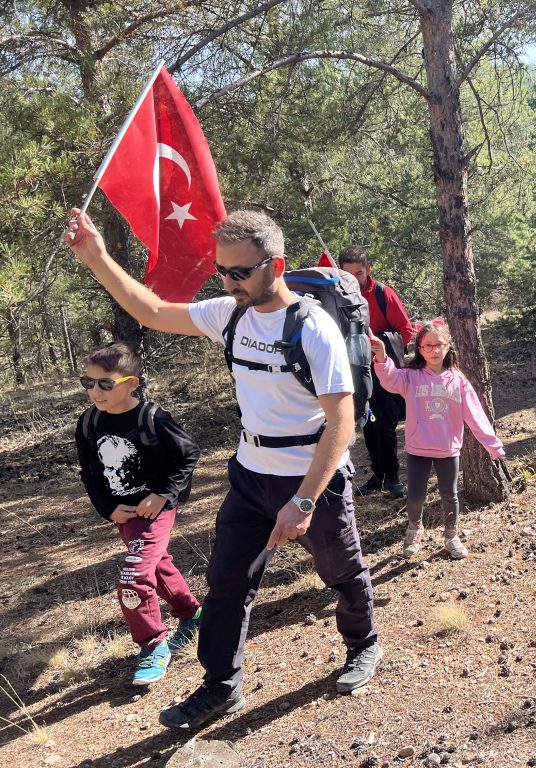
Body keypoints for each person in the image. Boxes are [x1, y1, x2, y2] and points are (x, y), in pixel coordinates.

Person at [65, 208, 380, 731]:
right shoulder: (230, 314)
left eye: (240, 272)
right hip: (250, 475)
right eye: (222, 271)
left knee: (340, 570)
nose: (229, 282)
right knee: (227, 583)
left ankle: (363, 643)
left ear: (275, 266)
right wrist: (96, 257)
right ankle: (220, 686)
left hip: (313, 479)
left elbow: (341, 422)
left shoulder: (313, 328)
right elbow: (152, 310)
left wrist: (303, 500)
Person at [75, 343, 202, 687]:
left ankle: (152, 644)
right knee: (156, 565)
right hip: (124, 513)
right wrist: (108, 509)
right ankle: (192, 613)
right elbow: (89, 472)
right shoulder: (89, 422)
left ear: (131, 384)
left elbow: (188, 454)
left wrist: (162, 495)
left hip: (156, 510)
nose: (95, 390)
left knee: (133, 576)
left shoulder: (153, 418)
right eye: (88, 382)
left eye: (105, 383)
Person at [370, 321, 504, 559]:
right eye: (428, 346)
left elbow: (475, 414)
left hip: (447, 450)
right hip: (418, 448)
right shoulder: (411, 377)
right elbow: (390, 379)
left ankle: (451, 536)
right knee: (415, 496)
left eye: (438, 345)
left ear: (448, 346)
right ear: (420, 349)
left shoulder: (457, 381)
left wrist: (493, 446)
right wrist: (381, 357)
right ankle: (414, 529)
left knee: (450, 496)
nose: (434, 350)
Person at [338, 245, 415, 498]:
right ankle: (378, 476)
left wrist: (380, 350)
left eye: (359, 273)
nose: (354, 279)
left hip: (384, 371)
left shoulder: (383, 294)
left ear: (368, 269)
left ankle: (393, 477)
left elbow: (406, 331)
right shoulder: (337, 297)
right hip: (354, 372)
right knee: (367, 423)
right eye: (348, 274)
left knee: (384, 424)